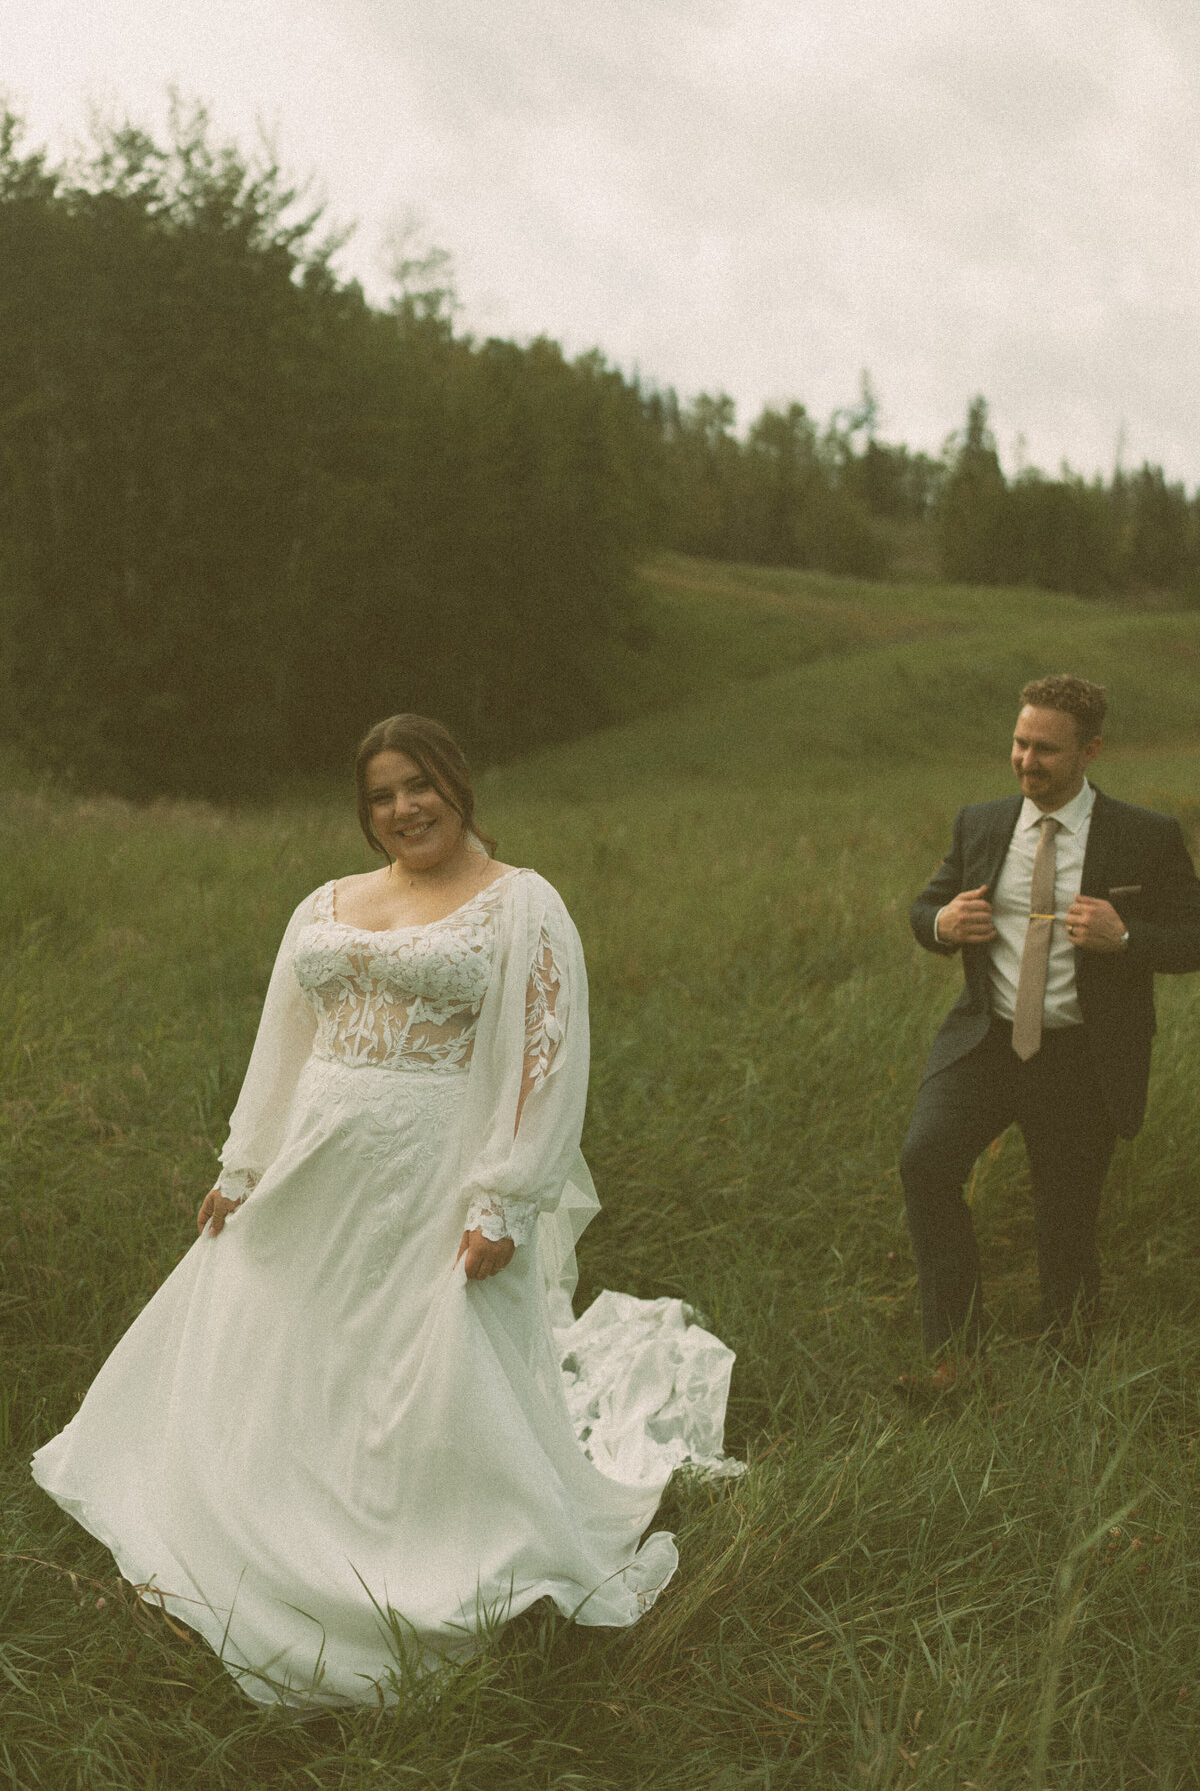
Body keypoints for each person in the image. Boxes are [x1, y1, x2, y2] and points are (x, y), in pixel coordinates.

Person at [32, 714, 738, 1709]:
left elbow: (548, 1059)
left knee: (414, 1353)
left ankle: (406, 1544)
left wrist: (506, 1199)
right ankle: (245, 1510)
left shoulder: (521, 904)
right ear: (363, 813)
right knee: (276, 1331)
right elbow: (282, 1041)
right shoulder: (327, 902)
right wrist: (243, 1166)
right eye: (381, 796)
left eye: (420, 785)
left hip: (431, 1169)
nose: (404, 808)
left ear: (459, 783)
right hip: (316, 1162)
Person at [900, 675, 1200, 1380]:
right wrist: (942, 925)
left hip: (1081, 1056)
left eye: (1047, 750)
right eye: (1019, 743)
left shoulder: (1145, 837)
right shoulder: (980, 822)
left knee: (1065, 1219)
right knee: (926, 1162)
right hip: (987, 1042)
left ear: (1091, 750)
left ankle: (1066, 1371)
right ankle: (956, 1356)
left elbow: (1194, 936)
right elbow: (927, 907)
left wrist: (1127, 939)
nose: (1027, 762)